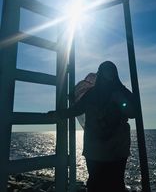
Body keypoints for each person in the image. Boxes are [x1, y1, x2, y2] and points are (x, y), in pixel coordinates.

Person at [48, 61, 137, 192]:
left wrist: (120, 100)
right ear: (100, 73)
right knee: (95, 183)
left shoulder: (122, 91)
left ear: (115, 73)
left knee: (116, 183)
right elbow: (77, 109)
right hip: (95, 148)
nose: (109, 74)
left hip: (116, 148)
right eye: (106, 71)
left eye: (111, 71)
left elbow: (133, 112)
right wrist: (58, 114)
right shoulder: (92, 94)